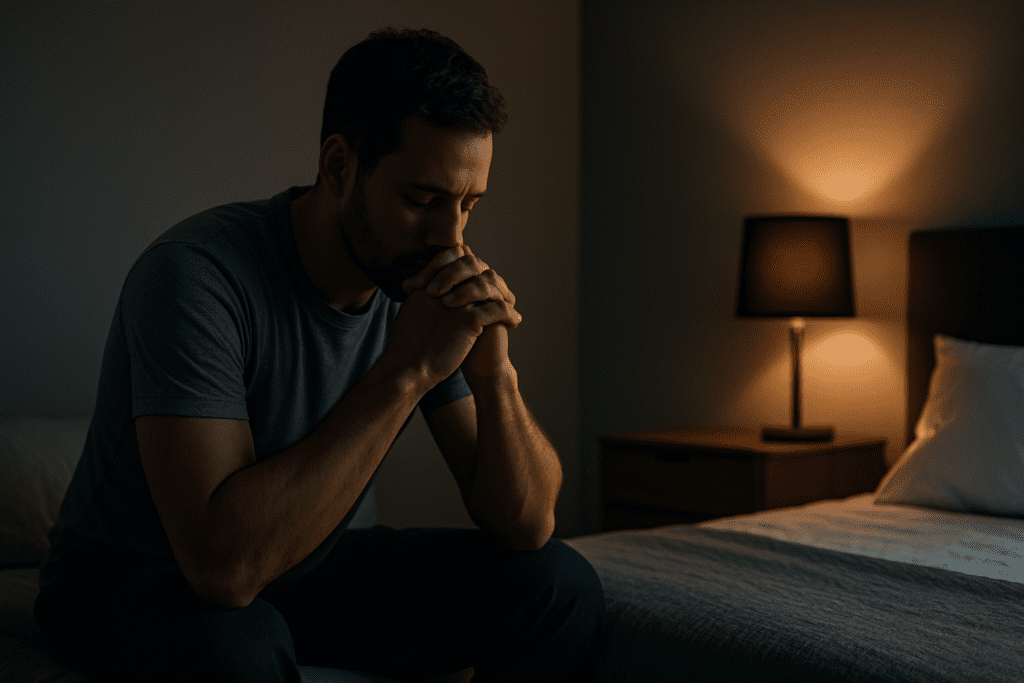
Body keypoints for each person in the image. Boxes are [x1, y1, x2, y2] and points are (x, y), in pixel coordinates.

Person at [34, 27, 606, 682]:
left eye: (468, 205)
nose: (451, 238)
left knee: (558, 582)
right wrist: (407, 368)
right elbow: (222, 569)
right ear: (339, 166)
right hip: (133, 581)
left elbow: (527, 522)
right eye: (423, 200)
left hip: (306, 565)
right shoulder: (194, 277)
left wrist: (493, 369)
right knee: (241, 644)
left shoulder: (413, 278)